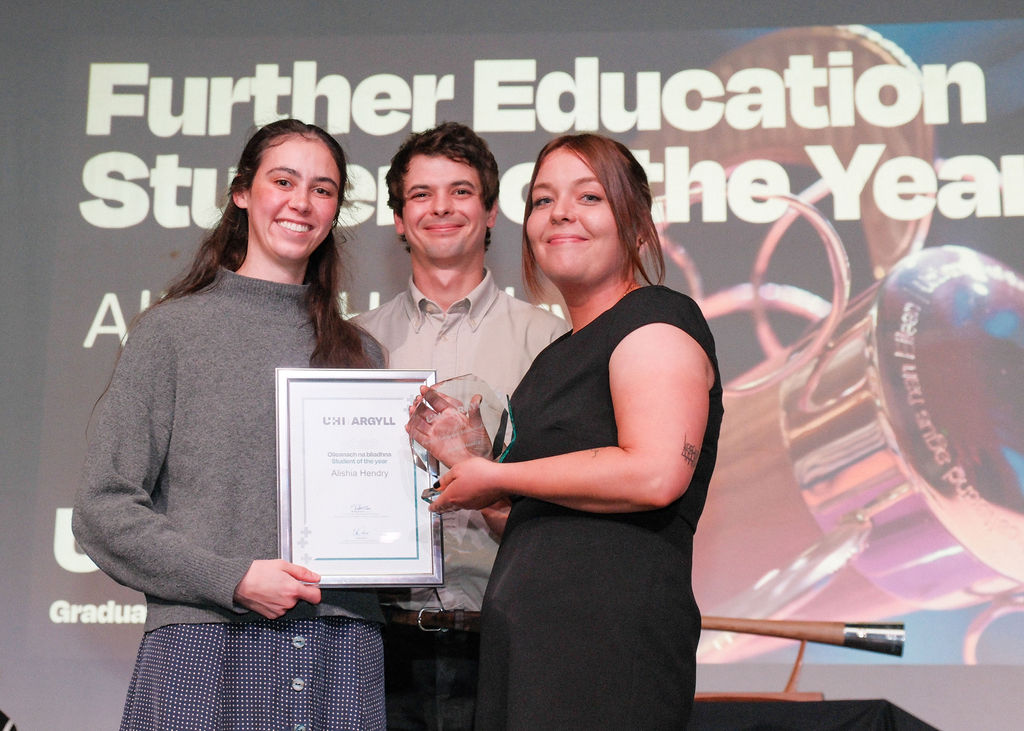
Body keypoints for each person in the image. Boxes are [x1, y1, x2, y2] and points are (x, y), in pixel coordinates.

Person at [72, 119, 387, 730]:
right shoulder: (171, 333)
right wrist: (234, 579)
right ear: (242, 193)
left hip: (339, 650)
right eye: (284, 180)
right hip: (205, 647)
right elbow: (102, 509)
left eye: (323, 189)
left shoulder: (361, 354)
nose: (302, 202)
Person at [410, 133, 724, 729]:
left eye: (589, 197)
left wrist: (497, 472)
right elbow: (537, 522)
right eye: (542, 200)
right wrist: (473, 464)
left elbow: (656, 473)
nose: (560, 213)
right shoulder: (556, 358)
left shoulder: (657, 320)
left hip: (605, 647)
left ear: (635, 224)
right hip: (531, 647)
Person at [354, 121, 567, 729]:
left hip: (514, 635)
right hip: (381, 643)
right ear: (398, 218)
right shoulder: (352, 346)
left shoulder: (549, 341)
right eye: (421, 194)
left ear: (492, 211)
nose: (441, 207)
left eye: (461, 191)